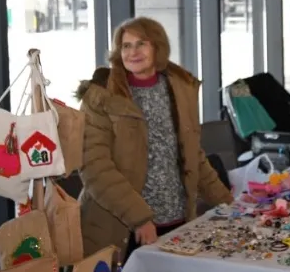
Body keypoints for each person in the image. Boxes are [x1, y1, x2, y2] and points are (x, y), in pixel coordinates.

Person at [76, 17, 232, 258]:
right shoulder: (101, 97)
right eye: (126, 46)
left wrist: (228, 203)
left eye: (141, 43)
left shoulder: (180, 88)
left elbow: (193, 156)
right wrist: (139, 218)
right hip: (122, 228)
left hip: (177, 222)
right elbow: (95, 168)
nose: (133, 52)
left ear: (157, 47)